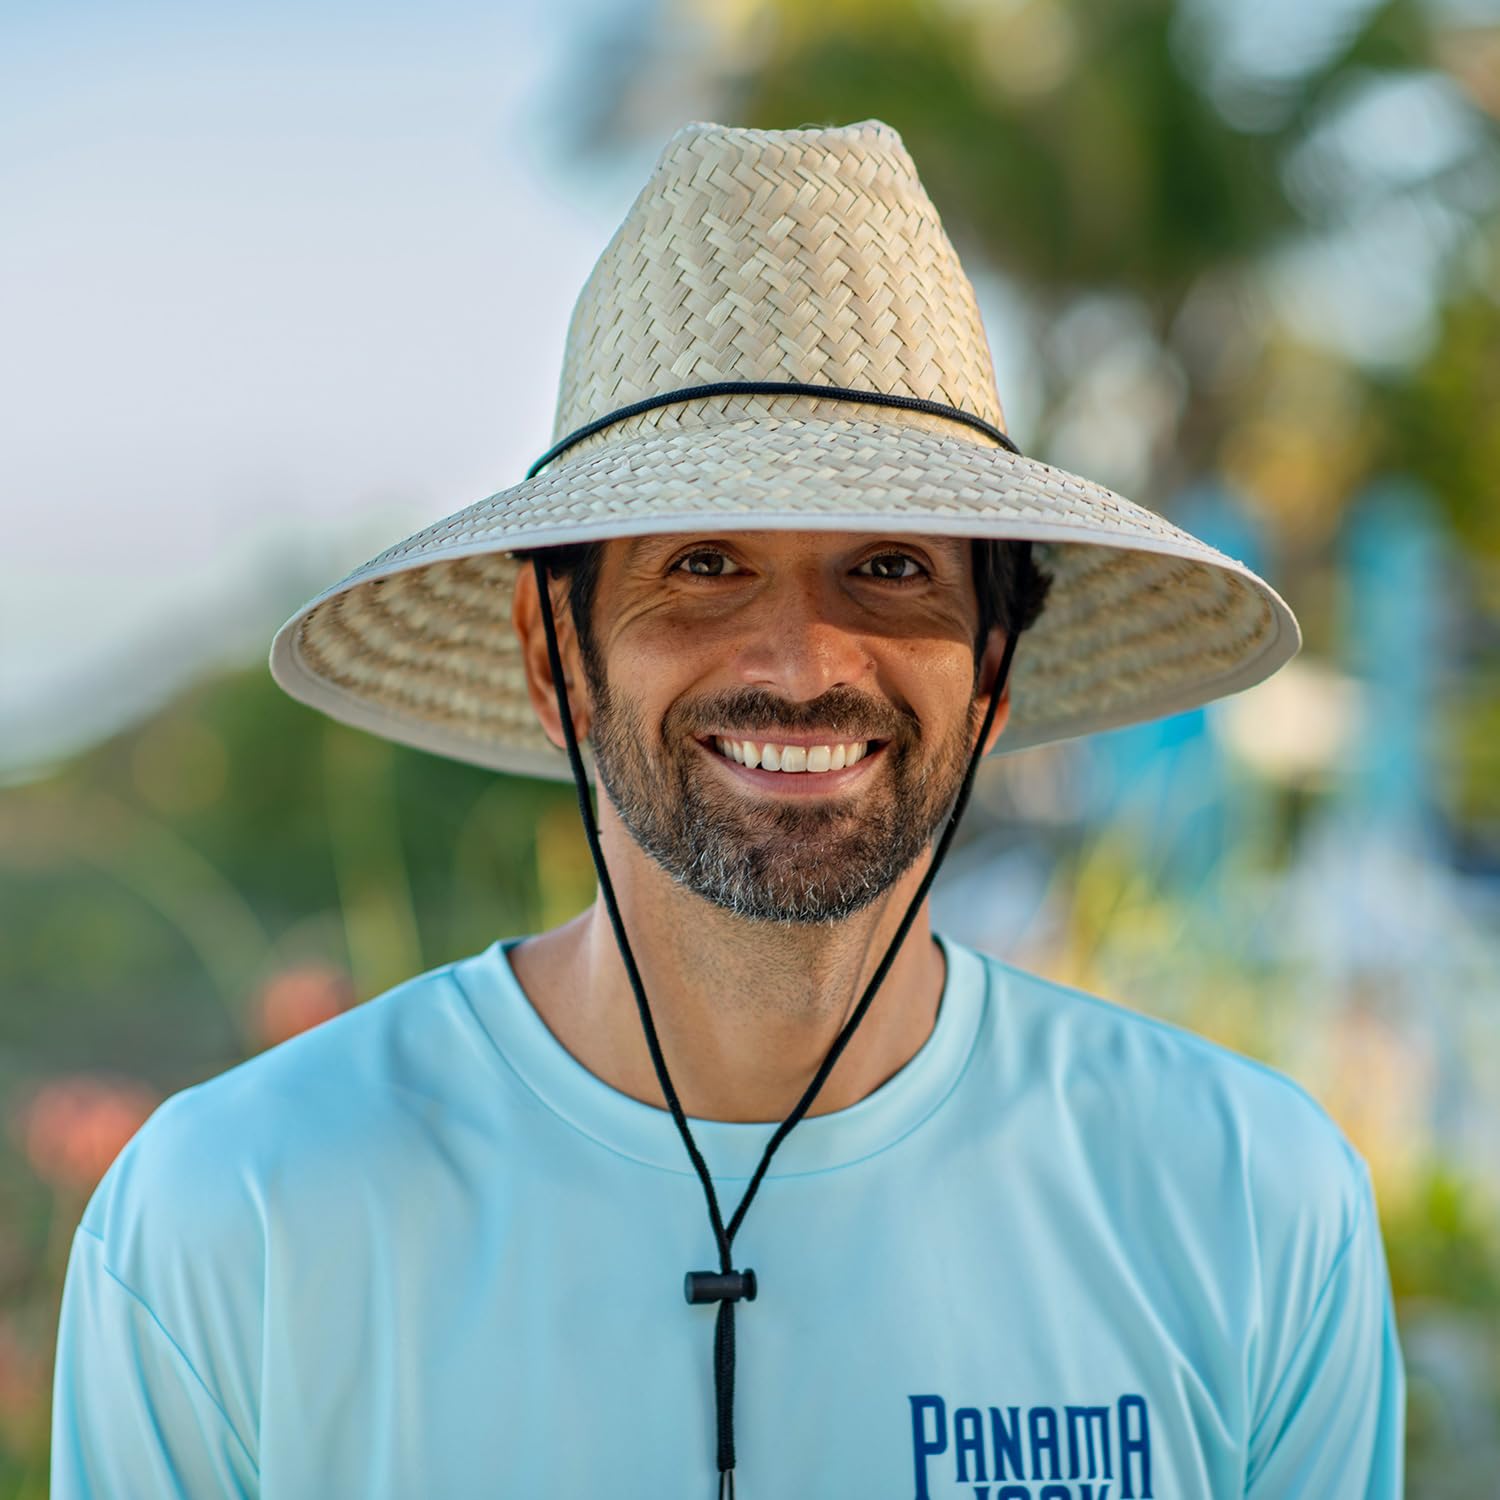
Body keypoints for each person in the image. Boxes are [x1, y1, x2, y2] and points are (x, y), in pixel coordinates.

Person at [51, 118, 1404, 1498]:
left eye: (889, 566)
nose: (804, 662)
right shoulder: (237, 1219)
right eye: (703, 563)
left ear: (993, 660)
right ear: (552, 650)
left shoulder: (1246, 1200)